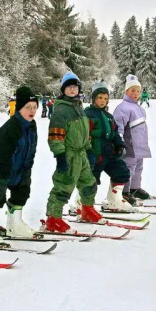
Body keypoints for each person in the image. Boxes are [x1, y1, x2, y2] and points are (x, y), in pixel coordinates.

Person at [0, 86, 39, 246]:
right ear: (19, 109)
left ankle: (14, 225)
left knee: (22, 191)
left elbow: (30, 150)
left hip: (16, 165)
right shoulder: (11, 128)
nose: (32, 111)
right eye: (28, 107)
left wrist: (26, 173)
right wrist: (2, 181)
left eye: (34, 107)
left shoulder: (32, 126)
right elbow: (4, 157)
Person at [43, 72, 104, 233]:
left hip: (82, 153)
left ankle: (87, 209)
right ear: (63, 89)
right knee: (63, 185)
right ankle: (53, 218)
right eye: (69, 87)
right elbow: (55, 135)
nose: (72, 90)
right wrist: (60, 155)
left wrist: (89, 148)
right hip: (69, 154)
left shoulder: (78, 107)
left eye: (75, 87)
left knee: (89, 182)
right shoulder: (61, 110)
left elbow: (85, 131)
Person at [84, 80, 135, 212]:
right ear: (94, 98)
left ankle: (114, 200)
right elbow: (84, 135)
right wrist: (88, 151)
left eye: (105, 98)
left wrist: (118, 143)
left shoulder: (108, 116)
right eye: (100, 98)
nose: (102, 101)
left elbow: (114, 132)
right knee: (90, 180)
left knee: (122, 171)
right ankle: (81, 203)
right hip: (95, 154)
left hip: (108, 153)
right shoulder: (88, 114)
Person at [113, 74, 153, 204]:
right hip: (129, 145)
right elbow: (117, 127)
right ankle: (124, 192)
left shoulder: (139, 107)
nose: (136, 94)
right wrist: (119, 143)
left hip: (139, 144)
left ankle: (135, 188)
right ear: (126, 91)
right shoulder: (123, 108)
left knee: (138, 167)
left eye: (138, 91)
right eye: (133, 91)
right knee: (128, 168)